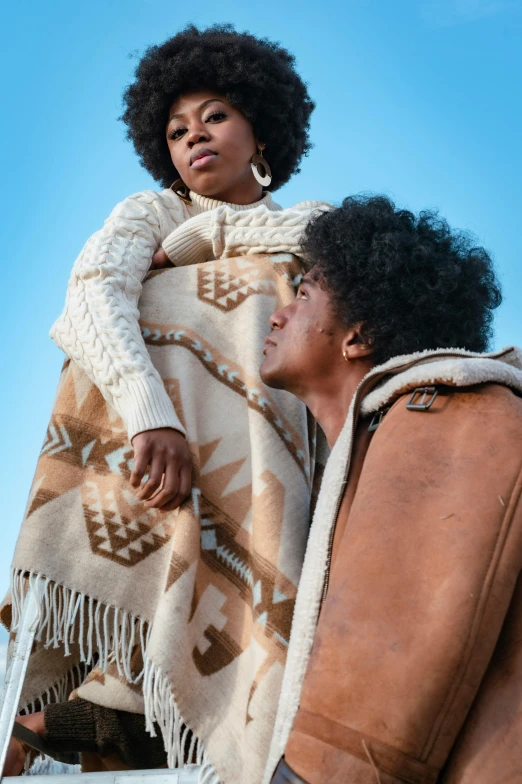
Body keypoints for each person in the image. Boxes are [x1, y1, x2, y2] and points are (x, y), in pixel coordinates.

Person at [2, 25, 328, 783]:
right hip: (150, 445)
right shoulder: (145, 213)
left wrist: (199, 243)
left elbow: (307, 234)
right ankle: (123, 686)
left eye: (214, 116)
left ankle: (143, 705)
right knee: (141, 317)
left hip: (273, 440)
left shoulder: (310, 221)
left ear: (260, 131)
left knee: (264, 291)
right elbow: (87, 298)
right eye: (177, 129)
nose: (194, 138)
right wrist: (153, 414)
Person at [259, 195, 522, 784]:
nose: (277, 315)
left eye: (303, 295)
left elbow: (383, 682)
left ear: (360, 335)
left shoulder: (445, 415)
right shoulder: (375, 449)